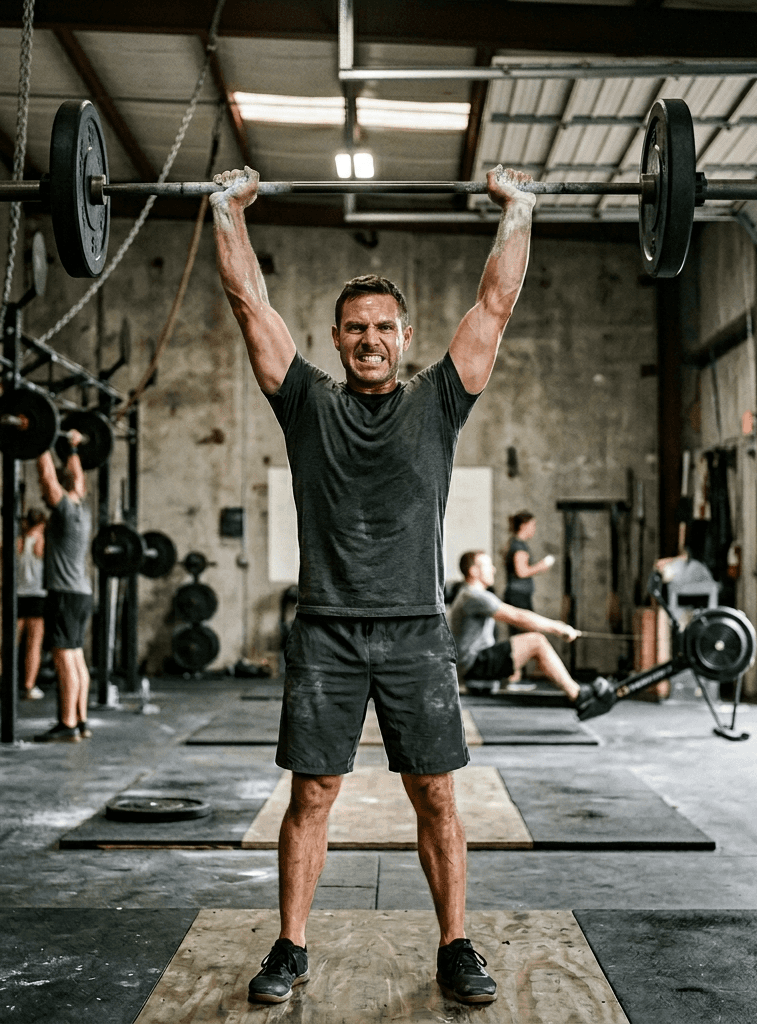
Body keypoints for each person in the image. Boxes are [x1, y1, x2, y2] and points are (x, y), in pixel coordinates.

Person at [212, 161, 536, 1007]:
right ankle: (291, 945)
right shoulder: (306, 404)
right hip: (325, 628)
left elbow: (494, 306)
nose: (369, 339)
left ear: (404, 335)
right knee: (312, 791)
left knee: (435, 793)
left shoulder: (439, 401)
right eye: (355, 327)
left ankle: (456, 945)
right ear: (335, 337)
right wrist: (226, 211)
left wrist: (519, 211)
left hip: (416, 631)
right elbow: (251, 304)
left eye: (384, 327)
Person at [450, 550, 615, 721]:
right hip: (473, 665)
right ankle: (578, 696)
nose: (493, 569)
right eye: (487, 565)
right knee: (536, 642)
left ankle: (573, 690)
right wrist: (558, 627)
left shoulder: (469, 594)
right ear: (473, 571)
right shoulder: (474, 596)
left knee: (529, 645)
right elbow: (517, 617)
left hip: (472, 664)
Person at [33, 431, 92, 743]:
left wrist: (39, 443)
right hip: (81, 594)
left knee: (64, 658)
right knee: (76, 657)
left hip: (65, 594)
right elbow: (76, 479)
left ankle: (67, 723)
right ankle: (80, 719)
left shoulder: (66, 511)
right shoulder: (82, 508)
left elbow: (48, 480)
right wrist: (71, 448)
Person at [17, 508, 47, 700]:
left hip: (18, 596)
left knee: (12, 642)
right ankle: (29, 686)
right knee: (33, 645)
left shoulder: (17, 542)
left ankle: (7, 683)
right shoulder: (42, 543)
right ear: (42, 524)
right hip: (36, 597)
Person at [503, 510, 554, 620]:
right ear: (523, 526)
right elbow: (521, 572)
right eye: (532, 525)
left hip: (519, 594)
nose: (534, 528)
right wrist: (540, 567)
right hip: (518, 596)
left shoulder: (514, 543)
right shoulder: (519, 546)